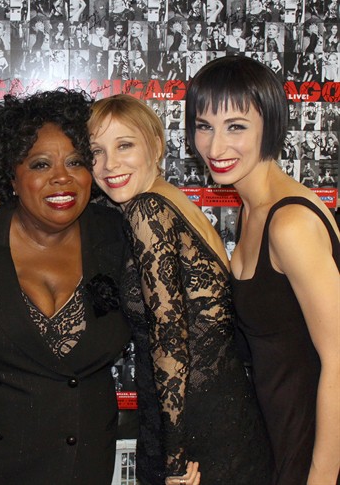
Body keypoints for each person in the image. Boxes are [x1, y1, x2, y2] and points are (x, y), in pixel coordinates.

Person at [0, 89, 132, 485]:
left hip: (80, 467)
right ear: (10, 173)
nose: (62, 177)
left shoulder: (119, 236)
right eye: (41, 163)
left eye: (77, 162)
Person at [88, 93, 272, 485]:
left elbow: (169, 338)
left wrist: (174, 457)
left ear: (155, 146)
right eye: (95, 152)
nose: (109, 164)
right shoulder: (173, 202)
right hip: (227, 420)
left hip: (193, 441)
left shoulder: (147, 212)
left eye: (124, 145)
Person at [185, 55, 340, 485]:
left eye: (236, 126)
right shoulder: (252, 209)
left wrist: (322, 477)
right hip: (277, 437)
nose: (215, 148)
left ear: (269, 125)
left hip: (312, 449)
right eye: (204, 125)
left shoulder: (289, 223)